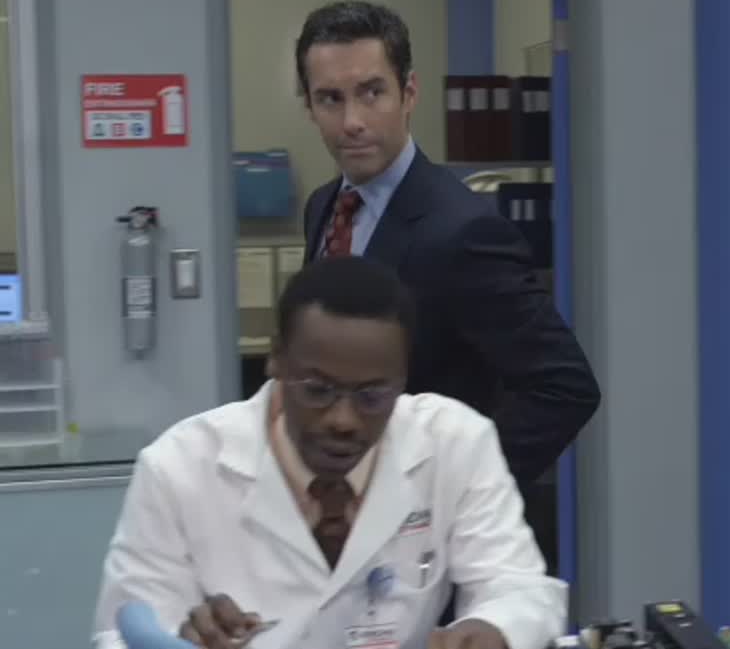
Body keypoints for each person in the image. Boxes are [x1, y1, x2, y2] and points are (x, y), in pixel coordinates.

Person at [91, 256, 565, 649]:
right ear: (276, 359)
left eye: (372, 395)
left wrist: (493, 629)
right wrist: (184, 638)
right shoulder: (179, 467)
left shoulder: (454, 442)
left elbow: (517, 586)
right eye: (318, 390)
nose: (344, 420)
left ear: (403, 377)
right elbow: (122, 634)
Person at [295, 0, 600, 486]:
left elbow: (563, 386)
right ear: (309, 107)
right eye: (331, 98)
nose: (352, 120)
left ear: (408, 93)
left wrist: (452, 492)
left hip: (418, 516)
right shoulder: (323, 208)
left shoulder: (463, 229)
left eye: (372, 92)